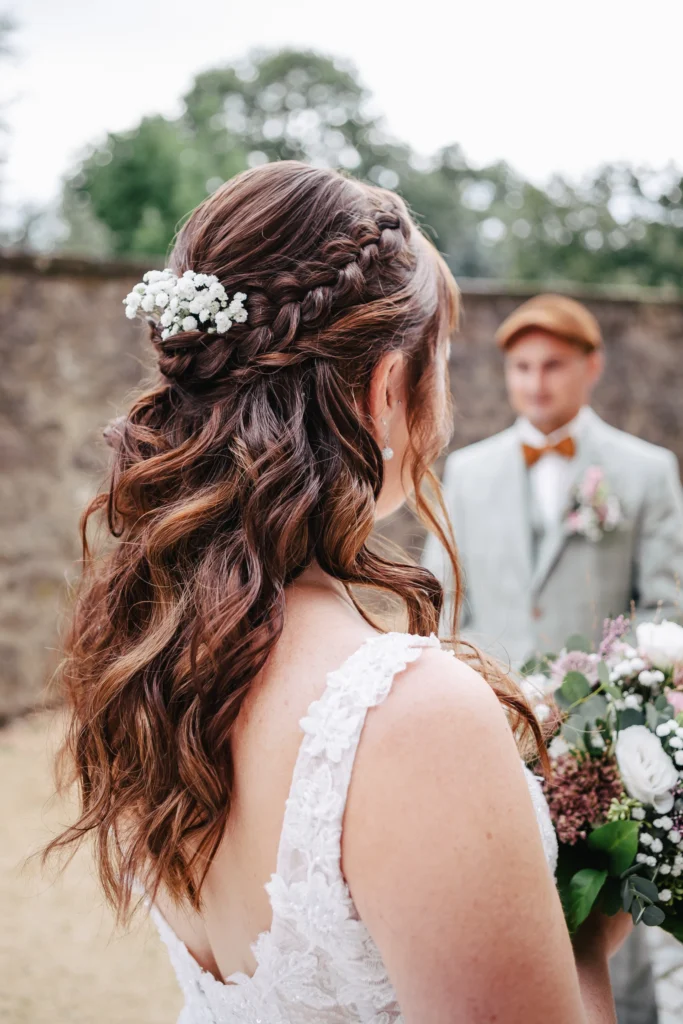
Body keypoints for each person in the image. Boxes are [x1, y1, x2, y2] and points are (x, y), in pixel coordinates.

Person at [45, 164, 630, 1023]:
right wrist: (579, 937)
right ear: (387, 387)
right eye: (438, 366)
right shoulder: (413, 717)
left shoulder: (150, 657)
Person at [423, 292, 683, 1024]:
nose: (535, 382)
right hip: (489, 731)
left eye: (553, 366)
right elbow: (443, 607)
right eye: (521, 367)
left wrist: (618, 706)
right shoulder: (464, 473)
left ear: (590, 367)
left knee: (607, 911)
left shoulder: (643, 470)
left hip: (602, 744)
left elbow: (663, 611)